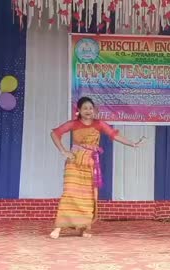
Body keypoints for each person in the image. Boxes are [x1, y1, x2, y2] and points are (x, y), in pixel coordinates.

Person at [49, 97, 144, 239]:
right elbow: (54, 133)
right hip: (74, 163)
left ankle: (84, 227)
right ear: (79, 111)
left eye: (90, 108)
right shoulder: (73, 124)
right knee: (70, 193)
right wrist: (63, 151)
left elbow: (114, 135)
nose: (88, 111)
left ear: (94, 110)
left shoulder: (99, 124)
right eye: (85, 108)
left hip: (90, 163)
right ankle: (58, 227)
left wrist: (133, 144)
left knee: (88, 197)